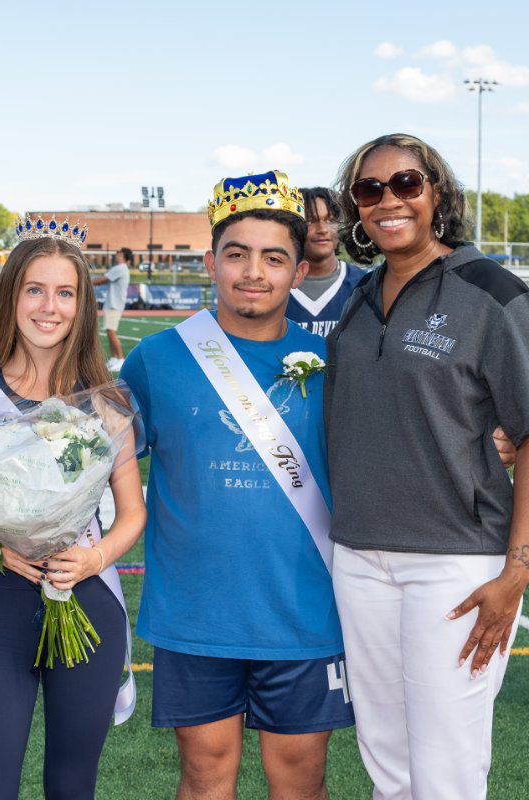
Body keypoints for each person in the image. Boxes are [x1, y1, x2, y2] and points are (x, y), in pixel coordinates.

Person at [325, 133, 529, 800]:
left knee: (448, 768)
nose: (388, 201)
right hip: (360, 558)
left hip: (455, 563)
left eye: (406, 184)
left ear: (438, 195)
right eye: (369, 190)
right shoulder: (359, 298)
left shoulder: (493, 293)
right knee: (388, 762)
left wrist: (516, 573)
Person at [120, 171, 353, 800]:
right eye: (237, 254)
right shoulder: (158, 358)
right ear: (210, 262)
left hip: (305, 611)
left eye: (274, 258)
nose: (254, 271)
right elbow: (101, 462)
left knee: (302, 782)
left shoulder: (337, 364)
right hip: (196, 612)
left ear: (299, 271)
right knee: (203, 777)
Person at [0, 219, 146, 800]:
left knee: (73, 786)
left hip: (87, 600)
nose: (49, 306)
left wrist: (93, 558)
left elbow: (132, 515)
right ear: (11, 298)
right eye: (35, 290)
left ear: (82, 306)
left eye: (65, 292)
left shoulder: (104, 402)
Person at [285, 187, 365, 337]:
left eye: (330, 220)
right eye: (310, 221)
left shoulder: (364, 283)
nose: (323, 229)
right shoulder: (278, 285)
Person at [93, 247, 131, 371]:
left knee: (111, 332)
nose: (116, 255)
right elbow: (105, 280)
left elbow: (103, 279)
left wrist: (87, 281)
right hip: (113, 303)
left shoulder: (120, 268)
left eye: (118, 254)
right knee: (110, 331)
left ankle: (120, 359)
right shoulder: (120, 269)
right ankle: (114, 358)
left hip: (114, 304)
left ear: (122, 255)